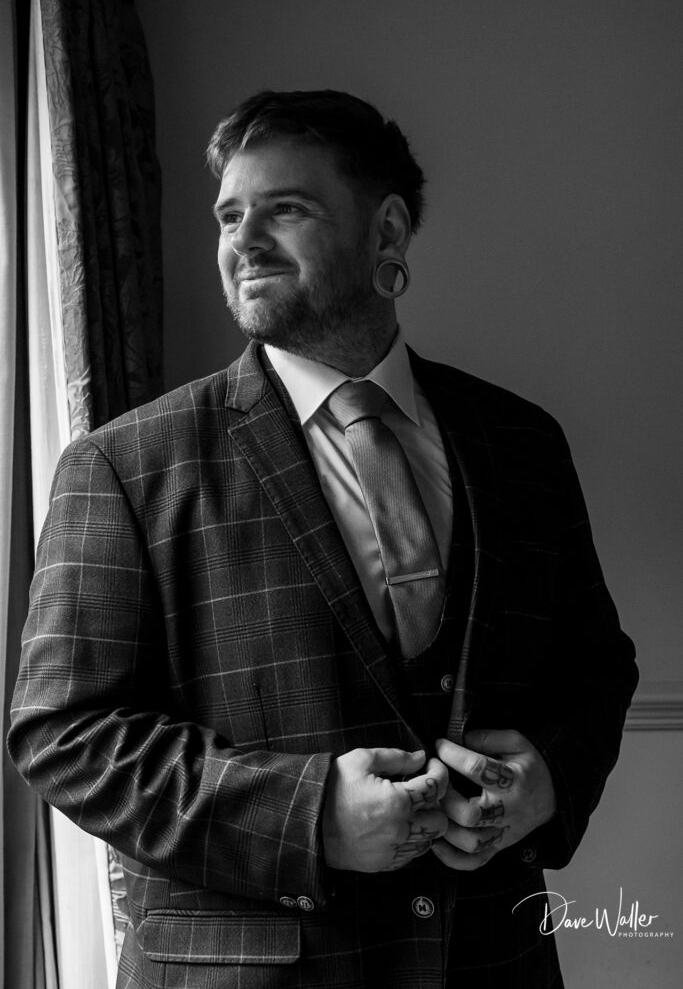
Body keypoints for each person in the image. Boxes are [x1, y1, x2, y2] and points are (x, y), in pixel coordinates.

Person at [8, 89, 638, 989]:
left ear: (386, 233)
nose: (242, 241)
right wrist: (308, 817)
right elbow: (64, 734)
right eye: (229, 215)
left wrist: (543, 779)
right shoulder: (125, 465)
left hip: (491, 961)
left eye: (284, 210)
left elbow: (594, 666)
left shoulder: (520, 443)